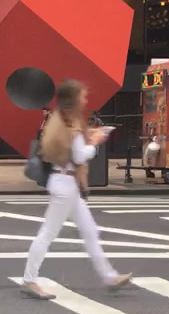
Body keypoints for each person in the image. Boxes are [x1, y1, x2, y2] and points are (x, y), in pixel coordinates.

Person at [21, 79, 132, 300]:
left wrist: (88, 135)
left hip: (65, 183)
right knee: (48, 233)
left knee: (89, 231)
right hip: (65, 184)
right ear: (73, 99)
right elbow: (79, 156)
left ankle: (110, 277)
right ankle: (29, 280)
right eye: (82, 96)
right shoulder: (69, 125)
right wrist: (95, 142)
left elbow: (71, 145)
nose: (85, 99)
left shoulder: (59, 119)